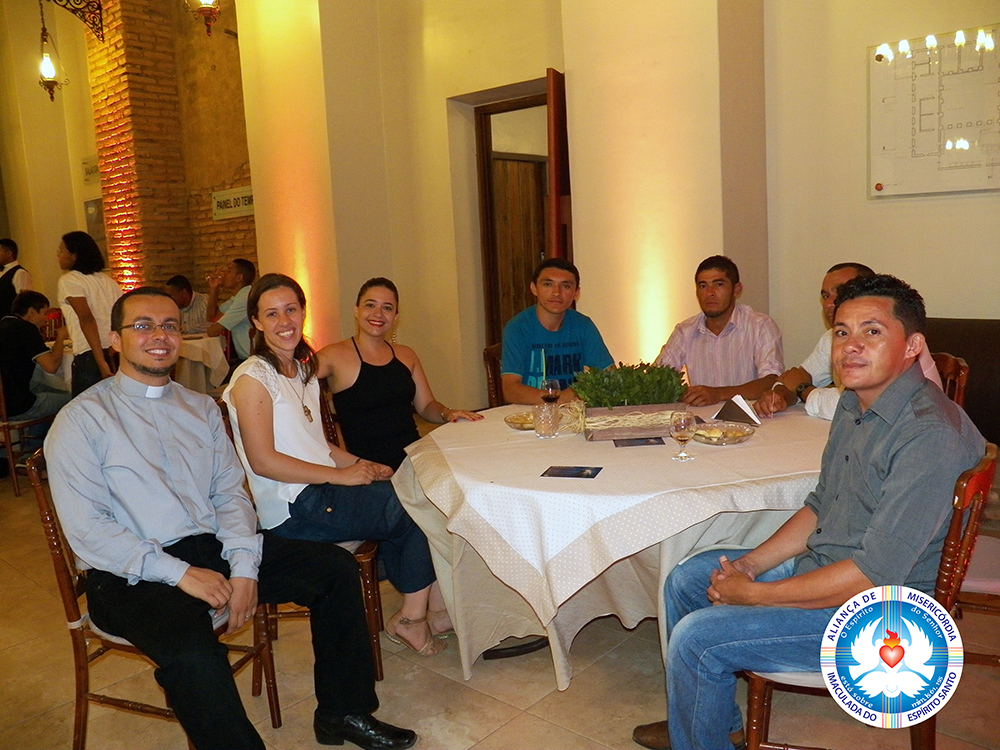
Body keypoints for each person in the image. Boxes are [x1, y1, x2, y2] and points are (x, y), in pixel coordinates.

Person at [45, 287, 416, 750]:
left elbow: (230, 496)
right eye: (142, 325)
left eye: (170, 325)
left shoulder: (200, 408)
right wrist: (180, 573)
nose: (159, 335)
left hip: (210, 548)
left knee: (334, 570)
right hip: (128, 572)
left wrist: (243, 567)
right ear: (115, 340)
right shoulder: (82, 420)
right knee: (194, 654)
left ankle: (343, 714)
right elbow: (88, 530)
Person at [632, 274, 984, 750]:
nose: (851, 346)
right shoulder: (854, 404)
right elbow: (821, 504)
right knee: (688, 578)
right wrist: (750, 566)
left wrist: (757, 596)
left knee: (699, 636)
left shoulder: (928, 435)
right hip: (832, 568)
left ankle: (698, 733)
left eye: (872, 331)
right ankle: (712, 725)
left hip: (888, 619)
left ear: (912, 345)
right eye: (841, 331)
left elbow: (873, 574)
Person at [224, 273, 453, 657]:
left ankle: (426, 607)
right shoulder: (253, 377)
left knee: (415, 492)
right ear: (257, 322)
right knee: (413, 505)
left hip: (320, 492)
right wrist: (341, 476)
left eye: (291, 310)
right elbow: (263, 461)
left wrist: (365, 465)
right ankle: (414, 618)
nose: (284, 322)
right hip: (293, 507)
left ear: (303, 313)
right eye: (272, 314)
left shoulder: (301, 373)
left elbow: (321, 447)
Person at [319, 277, 483, 471]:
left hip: (415, 459)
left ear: (395, 317)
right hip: (370, 469)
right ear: (356, 310)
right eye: (370, 305)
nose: (378, 314)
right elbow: (294, 380)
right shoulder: (332, 356)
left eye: (387, 308)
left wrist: (447, 413)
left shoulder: (406, 355)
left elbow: (426, 406)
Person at [755, 262, 942, 419]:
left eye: (843, 291)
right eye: (825, 296)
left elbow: (857, 405)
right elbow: (795, 377)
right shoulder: (833, 337)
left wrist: (803, 389)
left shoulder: (901, 338)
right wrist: (779, 395)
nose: (830, 303)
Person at [655, 255, 783, 406]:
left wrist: (719, 394)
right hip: (701, 419)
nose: (710, 293)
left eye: (719, 285)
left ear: (736, 290)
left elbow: (771, 381)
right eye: (703, 286)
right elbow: (658, 379)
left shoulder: (760, 326)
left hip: (749, 418)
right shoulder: (685, 331)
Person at [500, 257, 614, 405]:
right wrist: (561, 398)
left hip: (573, 412)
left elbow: (610, 376)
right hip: (529, 412)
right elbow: (510, 391)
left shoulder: (583, 325)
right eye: (548, 284)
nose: (556, 292)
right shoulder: (517, 328)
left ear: (576, 293)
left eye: (565, 286)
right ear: (534, 288)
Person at [0, 291, 71, 474]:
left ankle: (27, 451)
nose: (46, 319)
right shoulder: (25, 329)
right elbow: (51, 366)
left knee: (42, 389)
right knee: (73, 400)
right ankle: (34, 456)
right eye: (44, 313)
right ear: (31, 311)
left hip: (4, 403)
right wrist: (61, 337)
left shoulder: (3, 325)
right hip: (17, 406)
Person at [56, 231, 123, 396]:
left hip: (90, 353)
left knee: (86, 408)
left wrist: (100, 361)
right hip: (114, 350)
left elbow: (86, 318)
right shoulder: (109, 281)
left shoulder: (70, 280)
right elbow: (121, 317)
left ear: (74, 255)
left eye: (62, 250)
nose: (58, 254)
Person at [206, 258, 255, 361]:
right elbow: (211, 317)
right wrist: (214, 288)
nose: (224, 274)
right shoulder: (237, 297)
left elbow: (213, 331)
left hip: (254, 359)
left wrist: (212, 327)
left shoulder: (245, 298)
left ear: (239, 278)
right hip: (246, 357)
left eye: (229, 271)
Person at [0, 238, 32, 315]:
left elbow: (23, 301)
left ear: (9, 253)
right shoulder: (2, 272)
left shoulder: (19, 273)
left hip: (11, 318)